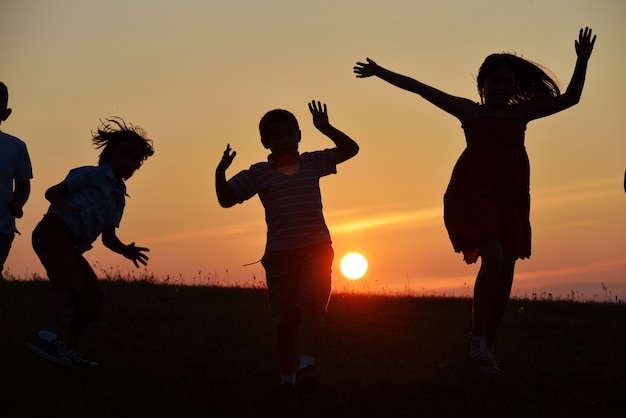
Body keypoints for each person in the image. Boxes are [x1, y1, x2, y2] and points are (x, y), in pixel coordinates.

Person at [354, 27, 595, 380]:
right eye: (494, 81)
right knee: (494, 259)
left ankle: (485, 350)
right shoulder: (469, 112)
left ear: (515, 88)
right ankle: (477, 339)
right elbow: (421, 89)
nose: (500, 87)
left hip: (510, 199)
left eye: (507, 82)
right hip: (473, 195)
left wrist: (582, 60)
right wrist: (380, 72)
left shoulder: (521, 114)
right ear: (483, 85)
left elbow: (571, 98)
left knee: (505, 272)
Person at [216, 101, 359, 403]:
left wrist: (326, 128)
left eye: (289, 134)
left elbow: (351, 149)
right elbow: (226, 200)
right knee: (285, 323)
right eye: (276, 136)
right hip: (280, 255)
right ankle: (287, 380)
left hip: (317, 249)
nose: (283, 140)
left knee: (311, 306)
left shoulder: (312, 162)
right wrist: (220, 172)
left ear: (299, 136)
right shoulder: (258, 174)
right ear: (265, 142)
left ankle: (307, 366)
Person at [26, 117, 154, 368]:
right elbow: (52, 192)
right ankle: (45, 337)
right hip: (53, 231)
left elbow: (108, 238)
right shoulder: (90, 174)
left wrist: (125, 250)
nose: (129, 163)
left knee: (94, 297)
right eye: (124, 155)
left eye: (135, 160)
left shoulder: (119, 198)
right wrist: (63, 205)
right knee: (68, 280)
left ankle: (64, 349)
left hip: (71, 245)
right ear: (109, 155)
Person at [0, 82, 33, 284]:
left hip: (2, 226)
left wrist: (16, 203)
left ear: (6, 113)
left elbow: (23, 185)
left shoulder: (16, 147)